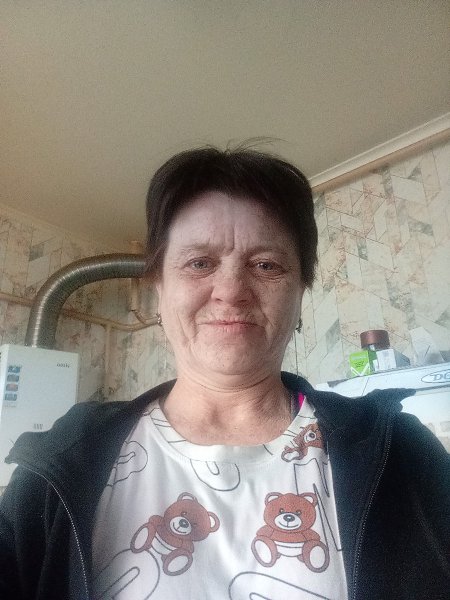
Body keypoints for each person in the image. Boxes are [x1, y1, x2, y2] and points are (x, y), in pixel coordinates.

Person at [0, 146, 448, 600]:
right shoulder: (66, 453)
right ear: (159, 290)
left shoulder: (399, 452)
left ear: (300, 292)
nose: (231, 291)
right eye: (199, 263)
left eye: (266, 265)